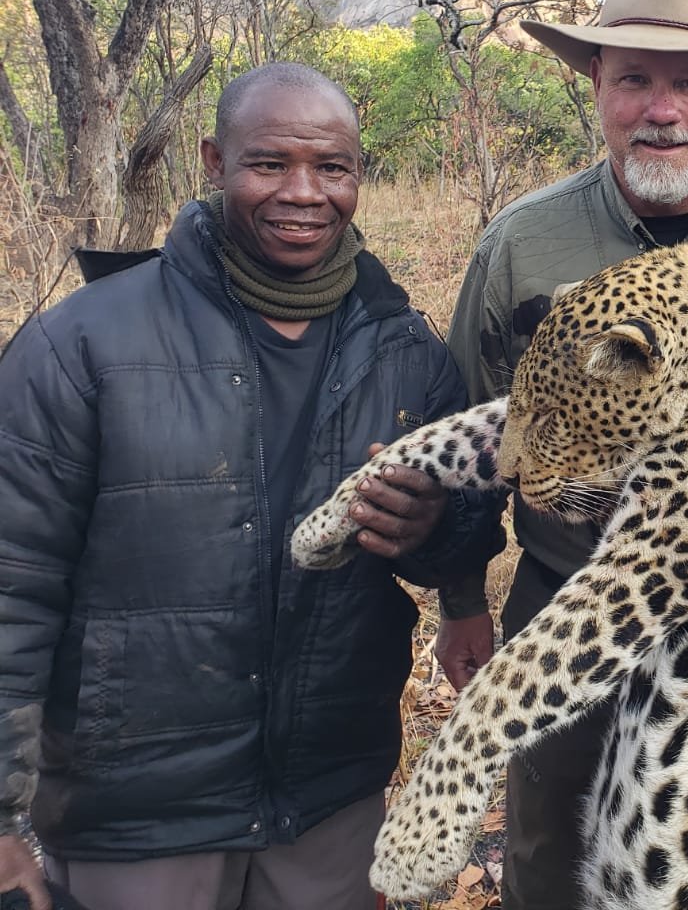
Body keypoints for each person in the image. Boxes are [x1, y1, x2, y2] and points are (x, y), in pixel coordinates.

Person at [0, 63, 497, 910]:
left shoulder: (407, 352)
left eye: (331, 168)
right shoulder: (81, 346)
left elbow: (466, 530)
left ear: (357, 175)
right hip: (139, 809)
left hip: (327, 796)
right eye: (269, 163)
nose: (303, 193)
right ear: (214, 161)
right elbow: (15, 584)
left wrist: (434, 529)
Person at [437, 0, 688, 910]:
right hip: (566, 599)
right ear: (596, 87)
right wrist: (463, 603)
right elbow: (472, 425)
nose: (662, 108)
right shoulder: (525, 242)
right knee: (552, 860)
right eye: (634, 78)